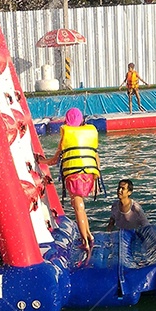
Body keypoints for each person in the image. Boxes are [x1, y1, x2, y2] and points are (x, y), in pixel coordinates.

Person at [53, 107, 101, 251]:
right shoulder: (88, 134)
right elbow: (96, 158)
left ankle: (85, 241)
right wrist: (96, 180)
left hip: (73, 177)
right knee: (79, 205)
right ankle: (89, 235)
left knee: (78, 206)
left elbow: (55, 160)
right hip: (89, 176)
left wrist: (41, 161)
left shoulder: (66, 135)